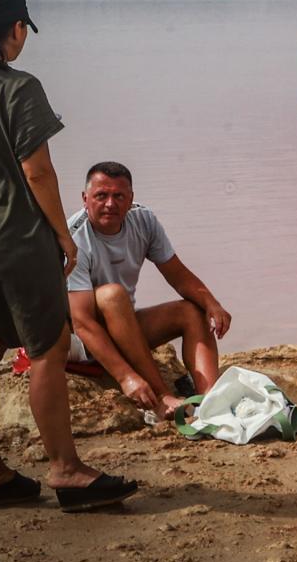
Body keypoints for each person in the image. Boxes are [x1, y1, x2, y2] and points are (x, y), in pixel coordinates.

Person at [0, 0, 137, 512]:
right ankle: (66, 470)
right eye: (23, 31)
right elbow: (38, 170)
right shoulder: (20, 87)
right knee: (47, 350)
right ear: (16, 29)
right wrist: (64, 235)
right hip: (17, 239)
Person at [66, 162, 232, 418]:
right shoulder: (73, 239)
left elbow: (177, 274)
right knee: (113, 295)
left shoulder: (143, 220)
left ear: (131, 199)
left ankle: (210, 403)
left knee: (192, 310)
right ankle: (162, 397)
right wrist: (127, 378)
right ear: (85, 199)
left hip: (123, 328)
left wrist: (212, 303)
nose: (110, 203)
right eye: (101, 195)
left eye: (119, 196)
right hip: (79, 342)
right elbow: (82, 323)